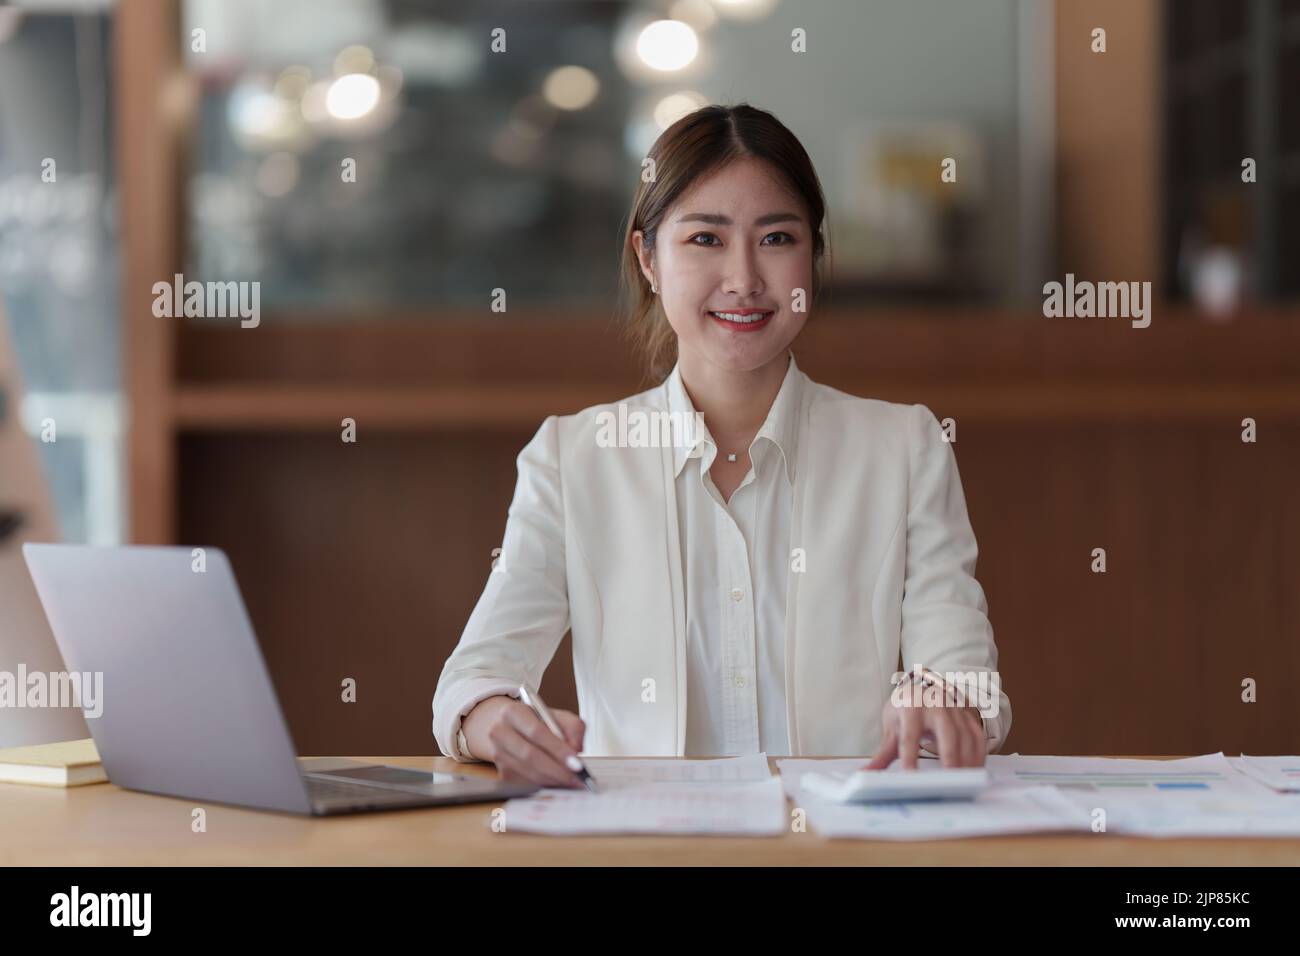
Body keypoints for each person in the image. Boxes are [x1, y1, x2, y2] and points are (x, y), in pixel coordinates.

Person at [433, 103, 1010, 788]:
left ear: (813, 257)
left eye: (776, 239)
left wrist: (943, 696)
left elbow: (966, 675)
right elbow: (472, 681)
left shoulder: (904, 448)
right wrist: (495, 717)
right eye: (705, 239)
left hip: (843, 847)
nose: (743, 279)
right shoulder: (573, 457)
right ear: (648, 258)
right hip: (648, 848)